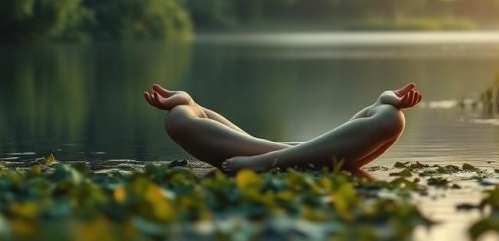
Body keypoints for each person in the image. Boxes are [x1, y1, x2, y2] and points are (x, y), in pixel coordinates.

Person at [142, 82, 423, 173]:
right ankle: (275, 159)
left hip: (337, 153)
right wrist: (186, 101)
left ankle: (270, 160)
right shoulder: (354, 143)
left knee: (392, 116)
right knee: (177, 117)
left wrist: (388, 97)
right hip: (337, 156)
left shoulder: (379, 114)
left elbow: (383, 105)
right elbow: (192, 112)